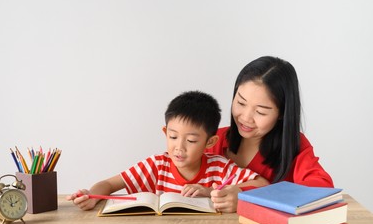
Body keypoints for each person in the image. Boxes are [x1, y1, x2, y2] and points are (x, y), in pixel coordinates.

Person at [67, 90, 264, 211]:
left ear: (210, 142)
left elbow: (263, 184)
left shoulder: (220, 167)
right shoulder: (157, 165)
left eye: (191, 140)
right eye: (173, 136)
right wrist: (91, 196)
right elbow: (109, 184)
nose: (179, 147)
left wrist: (210, 190)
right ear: (165, 132)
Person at [208, 56, 334, 213]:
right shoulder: (213, 140)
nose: (246, 118)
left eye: (260, 111)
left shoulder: (294, 145)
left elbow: (322, 188)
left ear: (282, 113)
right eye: (240, 103)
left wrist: (246, 197)